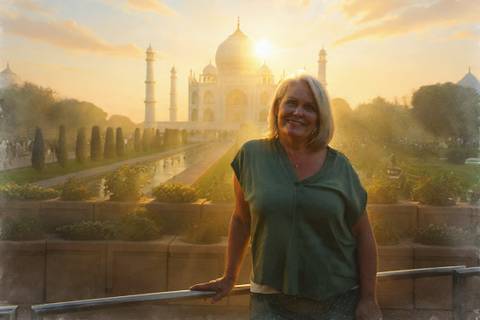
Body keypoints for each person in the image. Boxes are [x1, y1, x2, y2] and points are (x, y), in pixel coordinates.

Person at [191, 74, 382, 320]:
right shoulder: (252, 155)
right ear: (277, 107)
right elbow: (241, 220)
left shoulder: (339, 167)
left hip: (337, 300)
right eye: (291, 103)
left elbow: (363, 233)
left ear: (320, 118)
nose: (298, 112)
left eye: (309, 107)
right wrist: (229, 277)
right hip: (270, 301)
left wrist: (369, 299)